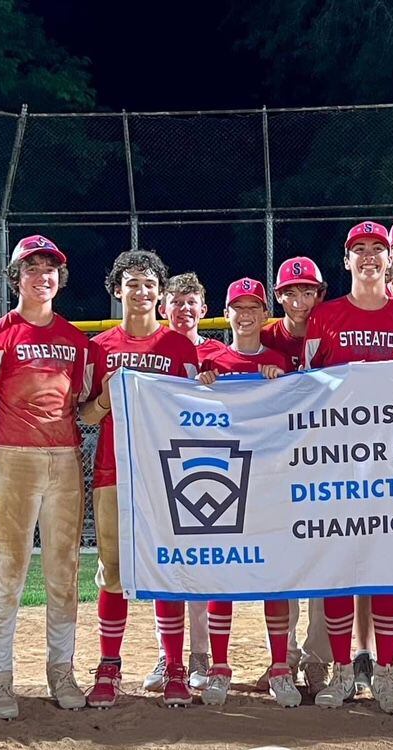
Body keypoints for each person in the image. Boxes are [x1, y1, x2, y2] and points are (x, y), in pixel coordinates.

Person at [303, 220, 393, 715]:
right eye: (361, 250)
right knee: (340, 570)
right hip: (338, 463)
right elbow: (308, 391)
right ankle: (341, 672)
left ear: (390, 258)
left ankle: (385, 674)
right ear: (347, 260)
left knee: (385, 569)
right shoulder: (326, 317)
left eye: (380, 249)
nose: (371, 257)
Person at [0, 235, 91, 719]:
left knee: (63, 571)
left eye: (51, 269)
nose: (43, 277)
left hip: (64, 458)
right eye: (32, 269)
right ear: (16, 277)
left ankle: (61, 669)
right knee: (10, 570)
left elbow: (82, 403)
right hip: (16, 457)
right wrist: (6, 453)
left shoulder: (75, 340)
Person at [80, 250, 199, 708]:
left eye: (149, 283)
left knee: (167, 568)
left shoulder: (178, 347)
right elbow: (85, 417)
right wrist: (106, 401)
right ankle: (109, 666)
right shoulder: (101, 348)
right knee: (112, 571)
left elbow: (194, 413)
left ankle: (174, 667)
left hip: (165, 474)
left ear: (159, 292)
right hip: (113, 471)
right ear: (117, 290)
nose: (141, 291)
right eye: (132, 283)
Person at [193, 278, 297, 707]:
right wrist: (201, 384)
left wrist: (279, 381)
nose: (247, 314)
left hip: (271, 478)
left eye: (255, 306)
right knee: (225, 573)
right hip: (225, 479)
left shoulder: (278, 361)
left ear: (264, 313)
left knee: (274, 575)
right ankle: (219, 666)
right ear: (227, 312)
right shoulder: (210, 358)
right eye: (239, 306)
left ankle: (280, 668)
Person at [144, 271, 217, 692]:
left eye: (192, 302)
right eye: (176, 302)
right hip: (160, 468)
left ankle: (201, 656)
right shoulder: (156, 351)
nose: (184, 309)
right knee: (166, 567)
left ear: (203, 311)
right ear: (163, 308)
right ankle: (167, 655)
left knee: (203, 569)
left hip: (207, 469)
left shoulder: (216, 353)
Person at [264, 256, 332, 697]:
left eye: (308, 291)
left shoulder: (332, 329)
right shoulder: (268, 336)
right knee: (281, 563)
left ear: (318, 295)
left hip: (327, 462)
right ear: (279, 297)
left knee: (325, 564)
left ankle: (318, 659)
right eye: (291, 292)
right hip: (277, 468)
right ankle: (282, 657)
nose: (300, 300)